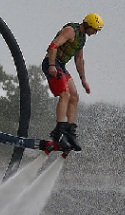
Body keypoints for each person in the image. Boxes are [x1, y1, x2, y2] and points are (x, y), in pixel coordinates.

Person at [42, 13, 103, 151]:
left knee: (74, 96)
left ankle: (69, 132)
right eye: (94, 29)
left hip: (61, 66)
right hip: (51, 62)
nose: (94, 33)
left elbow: (79, 59)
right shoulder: (70, 30)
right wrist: (51, 65)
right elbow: (53, 46)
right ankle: (58, 132)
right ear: (88, 25)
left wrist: (83, 80)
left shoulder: (82, 39)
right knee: (65, 94)